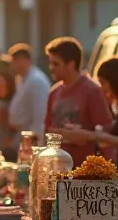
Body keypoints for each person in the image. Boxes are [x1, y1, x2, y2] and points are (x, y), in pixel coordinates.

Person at [55, 56, 118, 183]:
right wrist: (85, 132)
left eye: (103, 83)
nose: (101, 88)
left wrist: (93, 136)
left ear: (116, 81)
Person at [44, 36, 113, 168]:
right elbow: (47, 129)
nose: (51, 68)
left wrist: (85, 135)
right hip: (59, 169)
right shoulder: (54, 92)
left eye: (55, 64)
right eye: (50, 63)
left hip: (86, 170)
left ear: (71, 64)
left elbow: (106, 130)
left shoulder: (92, 90)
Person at [7, 43, 50, 143]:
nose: (12, 65)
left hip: (32, 138)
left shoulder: (36, 81)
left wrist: (35, 140)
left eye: (14, 61)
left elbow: (40, 114)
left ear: (23, 61)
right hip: (21, 135)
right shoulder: (21, 78)